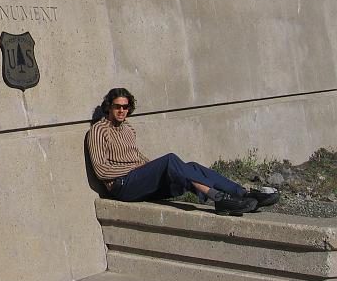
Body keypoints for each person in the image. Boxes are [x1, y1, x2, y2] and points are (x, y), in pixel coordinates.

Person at [86, 87, 279, 215]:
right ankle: (218, 198)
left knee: (190, 167)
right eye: (117, 107)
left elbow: (137, 156)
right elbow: (101, 170)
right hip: (121, 187)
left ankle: (243, 194)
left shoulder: (128, 129)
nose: (122, 111)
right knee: (170, 160)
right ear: (109, 107)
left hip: (137, 181)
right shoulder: (98, 130)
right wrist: (135, 170)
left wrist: (149, 168)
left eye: (125, 107)